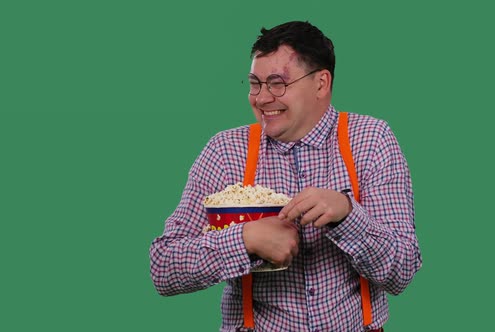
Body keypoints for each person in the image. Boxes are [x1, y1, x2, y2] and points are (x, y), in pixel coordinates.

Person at [150, 21, 421, 331]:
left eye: (277, 83)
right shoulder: (225, 151)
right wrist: (243, 240)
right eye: (255, 83)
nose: (262, 98)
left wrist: (347, 216)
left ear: (321, 83)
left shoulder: (371, 140)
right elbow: (163, 268)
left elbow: (402, 271)